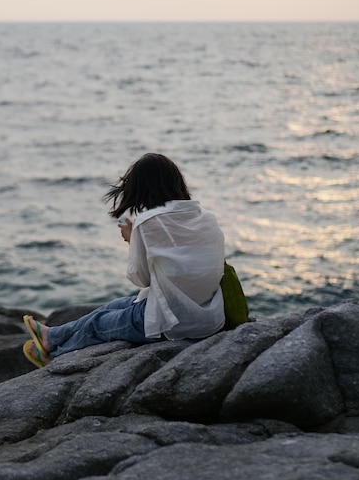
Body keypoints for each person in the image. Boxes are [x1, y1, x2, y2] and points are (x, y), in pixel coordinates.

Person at [22, 152, 226, 368]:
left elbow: (140, 279)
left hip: (173, 323)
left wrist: (133, 241)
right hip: (209, 316)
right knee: (115, 305)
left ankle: (53, 358)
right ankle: (50, 336)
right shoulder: (206, 216)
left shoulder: (148, 222)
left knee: (98, 325)